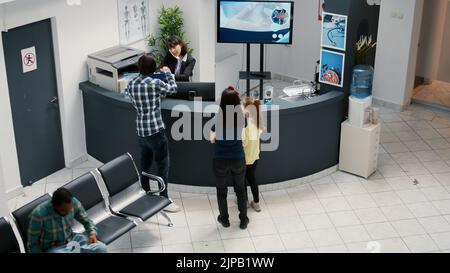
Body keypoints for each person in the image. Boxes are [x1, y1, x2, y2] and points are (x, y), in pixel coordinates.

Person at [126, 54, 181, 213]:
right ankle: (164, 200)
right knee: (163, 165)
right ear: (154, 68)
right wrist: (169, 74)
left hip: (141, 130)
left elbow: (129, 95)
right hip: (155, 130)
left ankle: (144, 193)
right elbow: (173, 88)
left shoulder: (132, 83)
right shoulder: (155, 83)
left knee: (145, 164)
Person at [210, 86, 249, 229]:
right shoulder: (242, 118)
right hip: (238, 158)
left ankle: (224, 219)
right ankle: (243, 219)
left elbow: (212, 139)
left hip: (220, 159)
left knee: (221, 191)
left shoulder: (218, 118)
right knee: (240, 190)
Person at [27, 188, 107, 253]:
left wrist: (92, 233)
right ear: (54, 205)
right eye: (64, 211)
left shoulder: (73, 202)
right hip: (53, 247)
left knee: (101, 249)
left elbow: (87, 221)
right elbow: (32, 244)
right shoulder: (38, 214)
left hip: (72, 238)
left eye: (70, 209)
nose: (68, 212)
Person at [242, 97, 264, 212]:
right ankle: (256, 203)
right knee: (252, 179)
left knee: (242, 180)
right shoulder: (258, 123)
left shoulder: (245, 126)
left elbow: (244, 142)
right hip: (255, 156)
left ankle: (244, 201)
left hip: (245, 157)